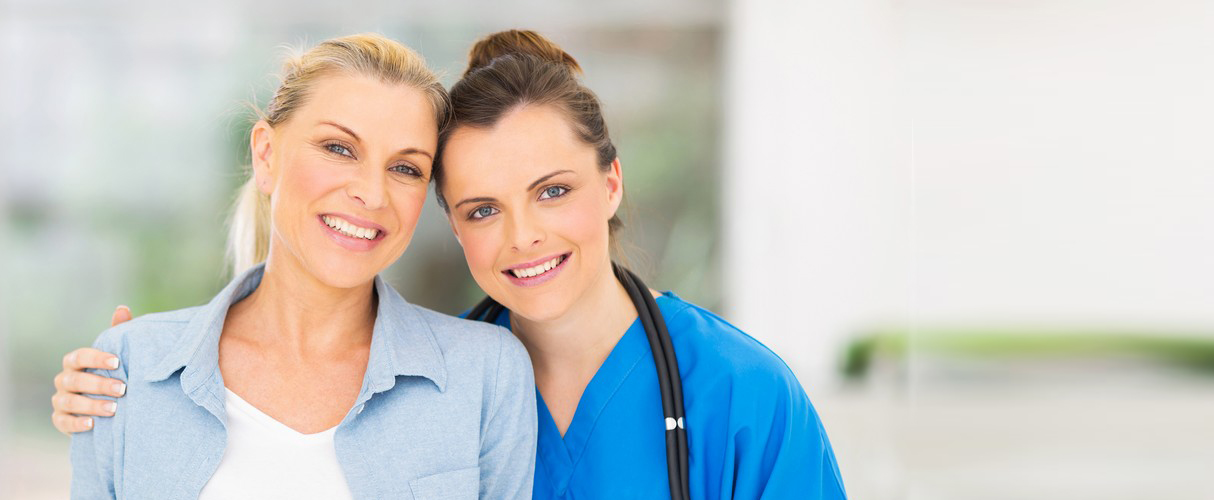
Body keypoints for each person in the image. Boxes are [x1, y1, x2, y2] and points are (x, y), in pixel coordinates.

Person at [59, 30, 848, 499]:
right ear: (453, 224)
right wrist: (139, 369)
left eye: (553, 190)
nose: (524, 236)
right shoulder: (468, 377)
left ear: (611, 182)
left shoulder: (737, 393)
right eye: (481, 209)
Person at [67, 33, 536, 500]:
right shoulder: (128, 368)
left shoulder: (486, 373)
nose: (372, 194)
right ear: (266, 154)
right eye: (338, 148)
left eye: (406, 168)